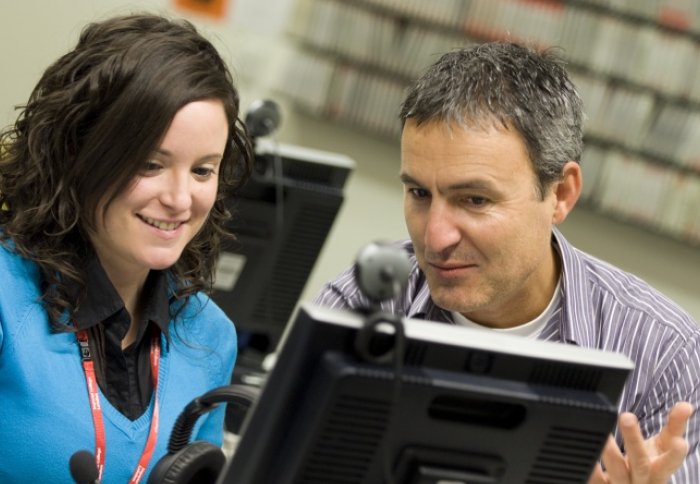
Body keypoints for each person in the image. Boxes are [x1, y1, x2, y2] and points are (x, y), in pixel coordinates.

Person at [314, 42, 700, 483]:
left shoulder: (663, 352)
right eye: (419, 193)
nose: (435, 238)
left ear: (561, 194)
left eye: (475, 200)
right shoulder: (364, 306)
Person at [0, 14, 253, 483]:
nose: (180, 200)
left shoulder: (210, 338)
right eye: (151, 164)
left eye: (203, 170)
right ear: (80, 153)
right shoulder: (4, 296)